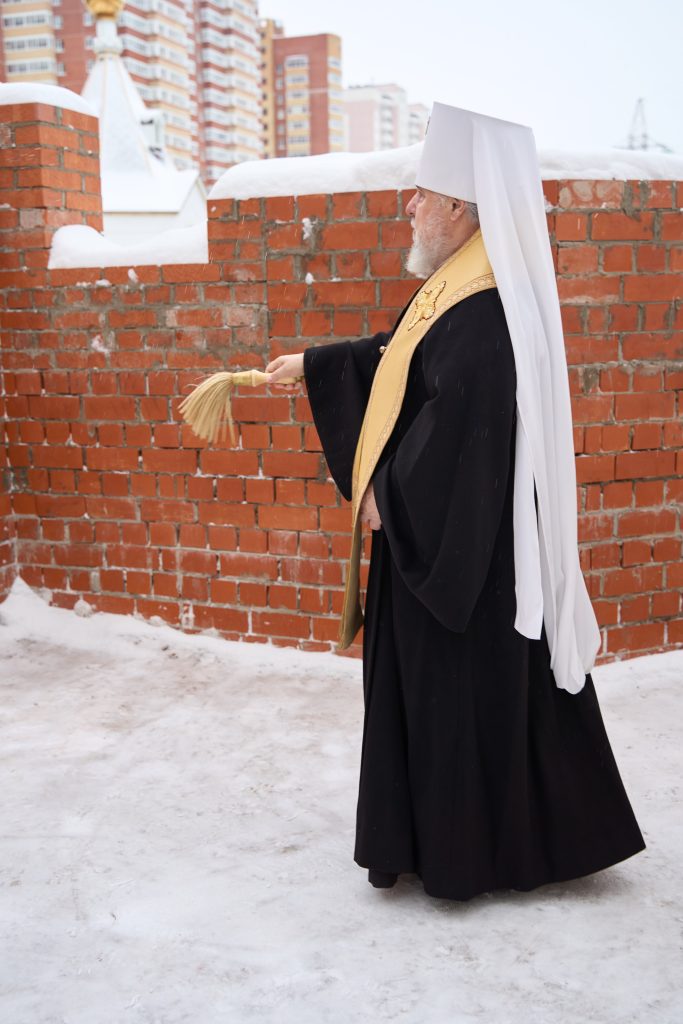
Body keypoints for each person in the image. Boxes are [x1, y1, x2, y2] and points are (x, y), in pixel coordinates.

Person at [264, 103, 646, 901]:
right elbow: (401, 358)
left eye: (421, 195)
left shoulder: (482, 307)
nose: (407, 205)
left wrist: (385, 497)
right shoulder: (462, 287)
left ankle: (462, 856)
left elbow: (457, 428)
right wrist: (317, 363)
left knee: (460, 701)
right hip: (469, 540)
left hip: (462, 557)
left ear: (460, 209)